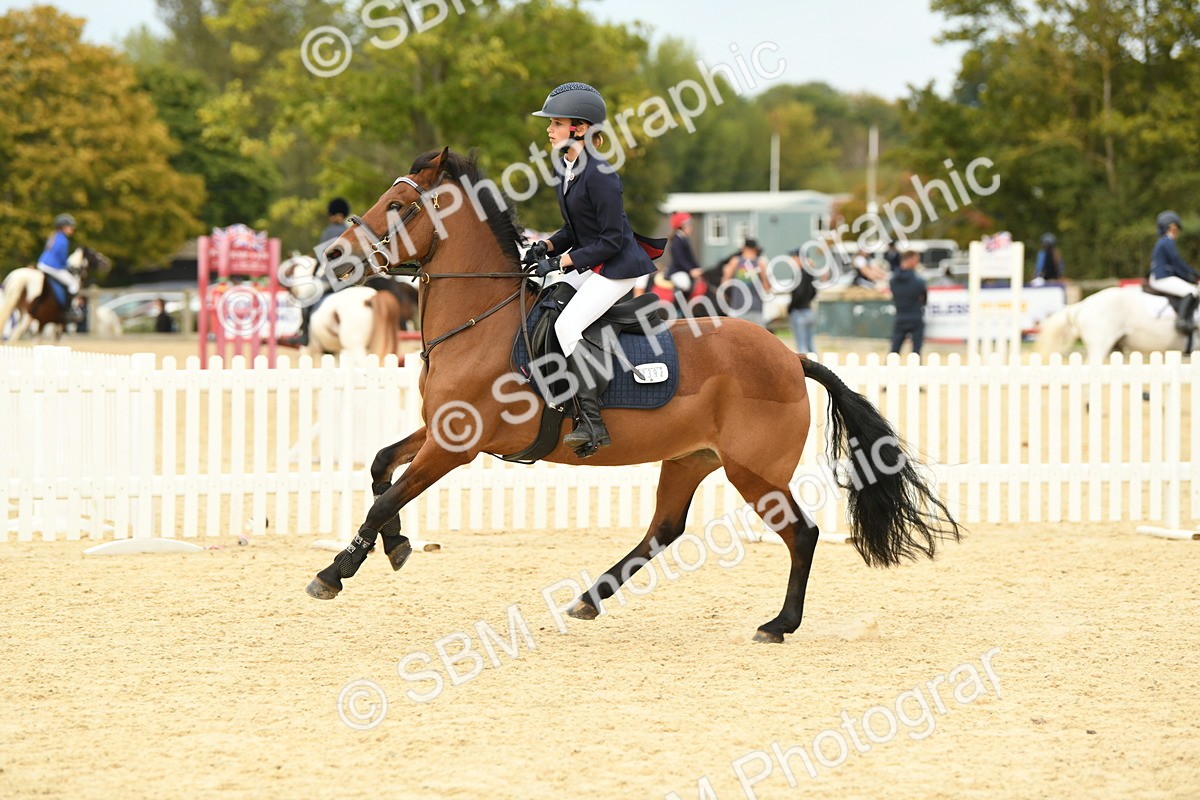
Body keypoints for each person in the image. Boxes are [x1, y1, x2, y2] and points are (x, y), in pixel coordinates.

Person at [527, 82, 664, 457]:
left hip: (617, 266)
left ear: (581, 128)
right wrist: (547, 246)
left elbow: (612, 239)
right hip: (594, 259)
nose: (549, 129)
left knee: (567, 325)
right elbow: (574, 229)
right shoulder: (567, 168)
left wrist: (562, 261)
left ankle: (592, 423)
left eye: (556, 123)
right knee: (547, 302)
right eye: (551, 123)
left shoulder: (601, 174)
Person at [300, 198, 349, 345]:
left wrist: (314, 273)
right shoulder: (350, 230)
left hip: (331, 279)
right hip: (351, 279)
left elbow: (321, 256)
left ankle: (304, 334)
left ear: (331, 215)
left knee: (305, 297)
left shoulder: (328, 231)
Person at [1146, 210, 1199, 334]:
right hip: (1162, 278)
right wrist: (1194, 274)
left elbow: (1174, 265)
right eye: (1176, 227)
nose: (1177, 230)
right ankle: (1182, 321)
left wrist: (1190, 275)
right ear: (1171, 227)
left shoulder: (1163, 241)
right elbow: (1177, 261)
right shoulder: (1167, 241)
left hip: (1161, 276)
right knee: (1191, 291)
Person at [36, 213, 83, 322]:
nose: (72, 229)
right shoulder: (63, 240)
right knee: (74, 284)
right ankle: (70, 309)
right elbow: (62, 258)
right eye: (70, 226)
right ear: (63, 227)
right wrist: (68, 267)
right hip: (52, 267)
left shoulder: (53, 236)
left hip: (41, 264)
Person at [721, 239, 771, 327]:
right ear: (755, 249)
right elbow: (767, 287)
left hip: (738, 306)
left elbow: (725, 283)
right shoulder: (760, 263)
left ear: (744, 248)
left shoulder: (735, 261)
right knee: (757, 334)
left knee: (736, 334)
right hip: (756, 307)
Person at [889, 249, 928, 356]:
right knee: (916, 353)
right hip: (915, 316)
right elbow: (924, 298)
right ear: (911, 260)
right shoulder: (918, 281)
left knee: (894, 352)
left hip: (900, 316)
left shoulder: (893, 281)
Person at [787, 249, 825, 354]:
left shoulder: (799, 274)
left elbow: (798, 294)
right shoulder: (809, 273)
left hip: (799, 312)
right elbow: (814, 292)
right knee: (810, 346)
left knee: (802, 348)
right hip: (808, 310)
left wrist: (790, 307)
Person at [665, 212, 702, 296]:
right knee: (685, 284)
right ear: (682, 226)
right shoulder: (676, 240)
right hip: (677, 271)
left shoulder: (684, 239)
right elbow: (679, 259)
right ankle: (679, 304)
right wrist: (690, 270)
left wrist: (697, 268)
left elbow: (691, 258)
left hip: (684, 270)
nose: (691, 228)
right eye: (689, 225)